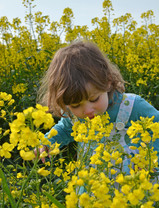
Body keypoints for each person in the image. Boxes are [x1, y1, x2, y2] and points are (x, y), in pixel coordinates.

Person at [36, 40, 159, 171]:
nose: (87, 110)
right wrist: (46, 142)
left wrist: (149, 158)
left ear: (108, 82)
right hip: (91, 183)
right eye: (76, 105)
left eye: (94, 99)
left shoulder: (131, 106)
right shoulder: (73, 114)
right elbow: (64, 130)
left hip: (131, 183)